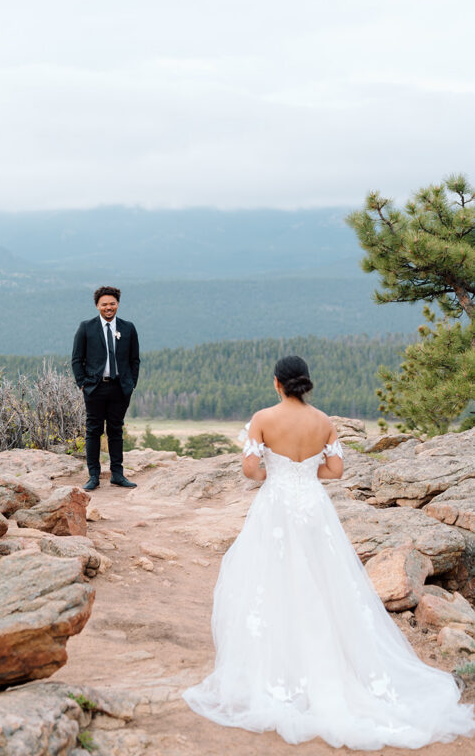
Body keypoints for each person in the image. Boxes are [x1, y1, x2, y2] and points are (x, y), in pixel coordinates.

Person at [183, 355, 475, 750]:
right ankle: (333, 663)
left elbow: (250, 470)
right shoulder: (323, 421)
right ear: (306, 384)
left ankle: (280, 668)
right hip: (314, 508)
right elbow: (336, 471)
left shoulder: (263, 418)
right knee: (324, 582)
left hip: (277, 507)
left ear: (277, 384)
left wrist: (279, 475)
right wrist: (304, 475)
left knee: (272, 580)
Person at [71, 286, 140, 491]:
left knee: (116, 430)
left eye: (112, 303)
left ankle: (117, 474)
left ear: (117, 304)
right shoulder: (86, 327)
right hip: (95, 388)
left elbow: (134, 359)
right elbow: (77, 359)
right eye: (104, 304)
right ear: (97, 306)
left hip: (120, 388)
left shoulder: (128, 328)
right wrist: (83, 384)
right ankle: (93, 476)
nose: (108, 308)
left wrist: (131, 383)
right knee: (93, 431)